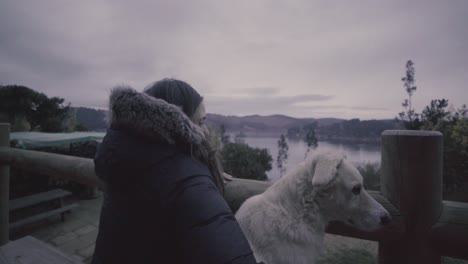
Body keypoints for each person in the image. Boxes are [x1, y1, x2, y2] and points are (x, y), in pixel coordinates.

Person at [92, 78, 261, 264]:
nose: (205, 131)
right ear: (181, 123)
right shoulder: (188, 181)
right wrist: (198, 177)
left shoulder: (127, 160)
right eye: (200, 122)